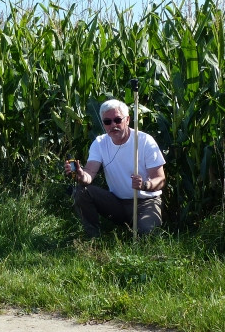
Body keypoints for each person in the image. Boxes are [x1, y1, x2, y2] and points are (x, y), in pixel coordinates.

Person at [65, 98, 166, 238]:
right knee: (81, 191)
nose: (113, 125)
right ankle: (92, 238)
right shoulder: (100, 143)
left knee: (148, 236)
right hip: (117, 202)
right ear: (103, 124)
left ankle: (141, 227)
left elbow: (160, 179)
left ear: (127, 120)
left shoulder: (144, 141)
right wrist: (81, 175)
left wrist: (144, 184)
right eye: (107, 122)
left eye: (118, 120)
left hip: (145, 202)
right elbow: (89, 174)